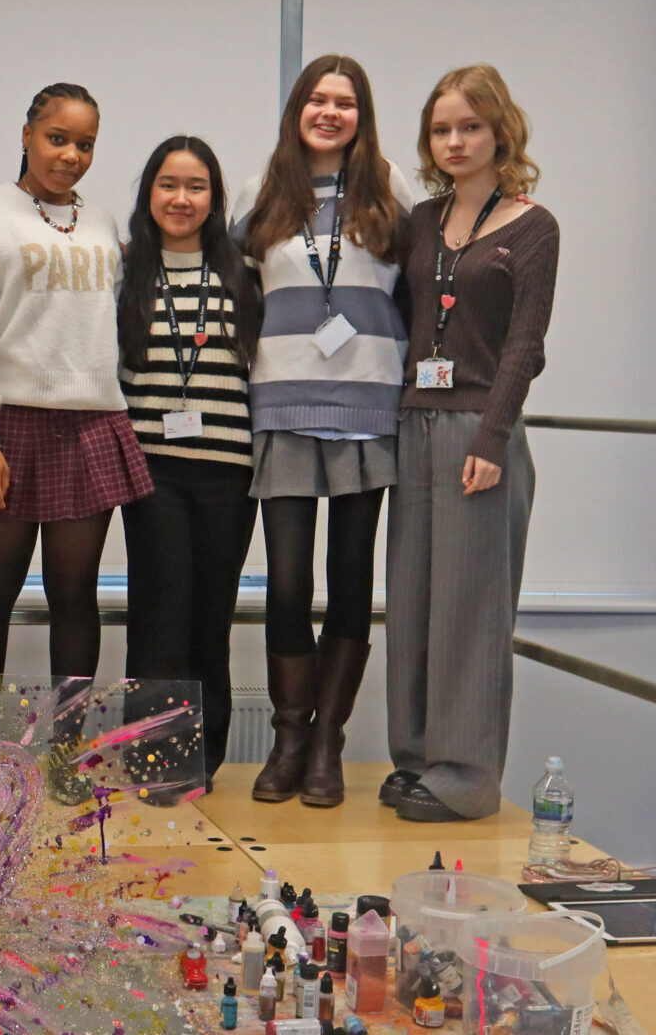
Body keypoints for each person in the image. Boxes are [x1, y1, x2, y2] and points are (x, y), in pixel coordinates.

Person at [234, 54, 414, 808]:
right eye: (317, 99)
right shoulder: (261, 191)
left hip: (367, 408)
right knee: (286, 583)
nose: (330, 112)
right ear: (297, 109)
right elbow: (238, 294)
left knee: (349, 579)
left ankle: (327, 743)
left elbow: (418, 291)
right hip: (282, 406)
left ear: (361, 115)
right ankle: (288, 736)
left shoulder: (391, 189)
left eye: (345, 102)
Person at [382, 64, 559, 823]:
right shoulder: (421, 222)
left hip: (479, 430)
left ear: (500, 132)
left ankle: (465, 777)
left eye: (470, 127)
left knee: (471, 607)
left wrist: (493, 434)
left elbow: (525, 344)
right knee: (412, 602)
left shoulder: (533, 226)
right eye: (441, 129)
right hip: (414, 422)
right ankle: (416, 758)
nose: (454, 141)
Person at [0, 83, 148, 688]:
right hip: (7, 425)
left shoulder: (102, 220)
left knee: (75, 597)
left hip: (89, 424)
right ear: (27, 135)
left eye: (85, 144)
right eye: (57, 138)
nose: (70, 155)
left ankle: (68, 741)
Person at [116, 136, 263, 803]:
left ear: (214, 198)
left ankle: (202, 762)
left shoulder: (243, 273)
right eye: (168, 185)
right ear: (149, 193)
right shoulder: (126, 271)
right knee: (158, 613)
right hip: (152, 472)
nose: (181, 199)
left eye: (196, 186)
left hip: (230, 472)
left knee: (210, 616)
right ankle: (152, 762)